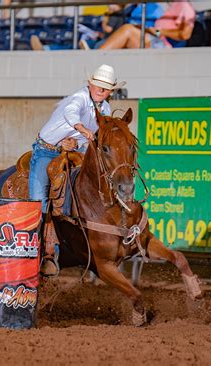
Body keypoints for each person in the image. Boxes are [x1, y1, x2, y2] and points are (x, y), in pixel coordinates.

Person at [30, 64, 126, 275]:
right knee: (37, 202)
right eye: (98, 86)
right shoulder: (80, 97)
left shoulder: (106, 110)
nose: (101, 90)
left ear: (111, 91)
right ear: (90, 84)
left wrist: (77, 143)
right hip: (46, 151)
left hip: (75, 154)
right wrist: (81, 130)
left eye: (105, 88)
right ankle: (35, 253)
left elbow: (94, 140)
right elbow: (71, 113)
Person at [93, 1, 196, 50]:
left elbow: (185, 34)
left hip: (164, 47)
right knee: (128, 30)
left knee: (127, 30)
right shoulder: (173, 4)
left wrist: (158, 31)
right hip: (156, 41)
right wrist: (147, 29)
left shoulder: (184, 5)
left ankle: (96, 58)